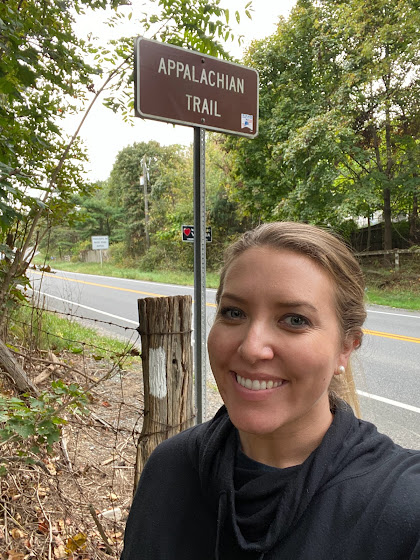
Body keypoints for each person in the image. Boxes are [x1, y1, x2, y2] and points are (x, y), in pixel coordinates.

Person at [121, 222, 420, 560]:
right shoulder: (170, 468)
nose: (251, 348)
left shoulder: (404, 505)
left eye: (294, 320)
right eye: (234, 313)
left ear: (346, 348)